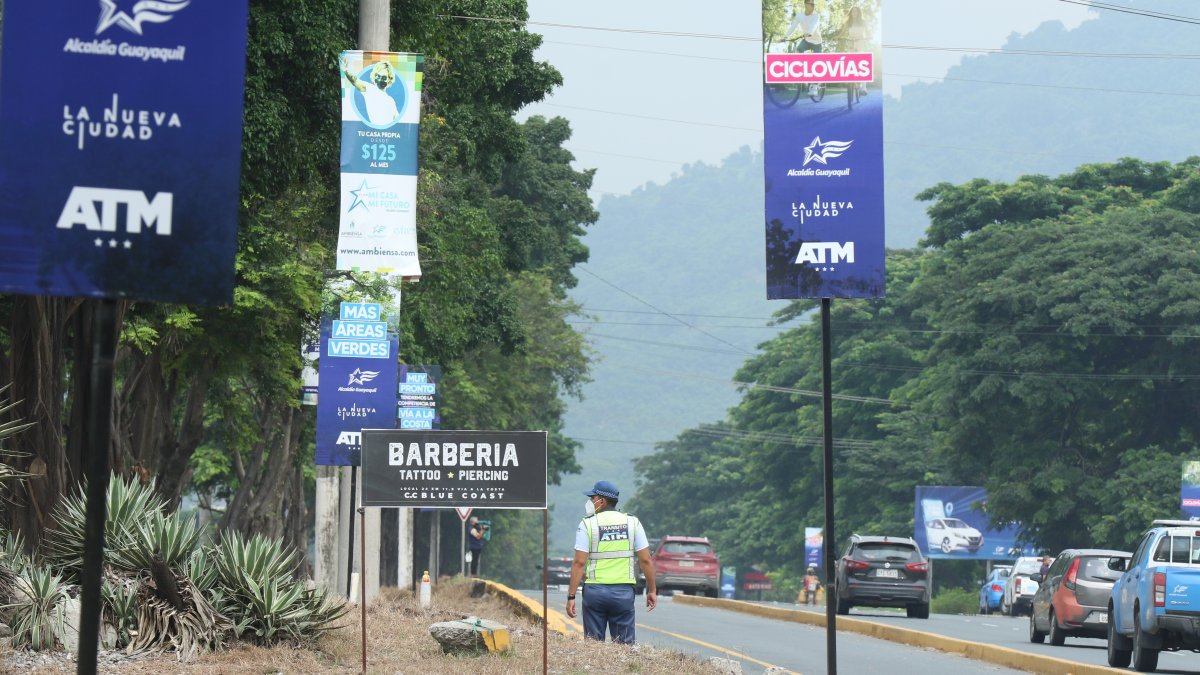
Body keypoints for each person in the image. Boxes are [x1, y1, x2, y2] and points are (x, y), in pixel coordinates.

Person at [565, 480, 657, 643]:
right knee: (624, 648)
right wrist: (652, 590)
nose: (590, 502)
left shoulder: (588, 523)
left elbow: (579, 562)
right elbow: (646, 560)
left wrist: (571, 596)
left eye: (592, 498)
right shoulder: (632, 522)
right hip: (623, 593)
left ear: (602, 500)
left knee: (594, 646)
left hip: (595, 592)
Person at [340, 57, 401, 127]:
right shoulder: (369, 89)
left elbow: (397, 121)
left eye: (384, 78)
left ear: (389, 79)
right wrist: (346, 71)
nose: (380, 80)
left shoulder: (391, 101)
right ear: (374, 76)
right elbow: (354, 80)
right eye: (378, 76)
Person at [835, 6, 870, 95]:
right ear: (851, 13)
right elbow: (842, 32)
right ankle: (853, 81)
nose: (854, 13)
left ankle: (863, 87)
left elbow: (868, 32)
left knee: (862, 63)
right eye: (853, 11)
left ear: (859, 13)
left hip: (861, 42)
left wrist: (869, 36)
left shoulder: (863, 22)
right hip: (851, 42)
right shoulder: (848, 23)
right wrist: (838, 37)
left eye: (856, 11)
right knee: (851, 62)